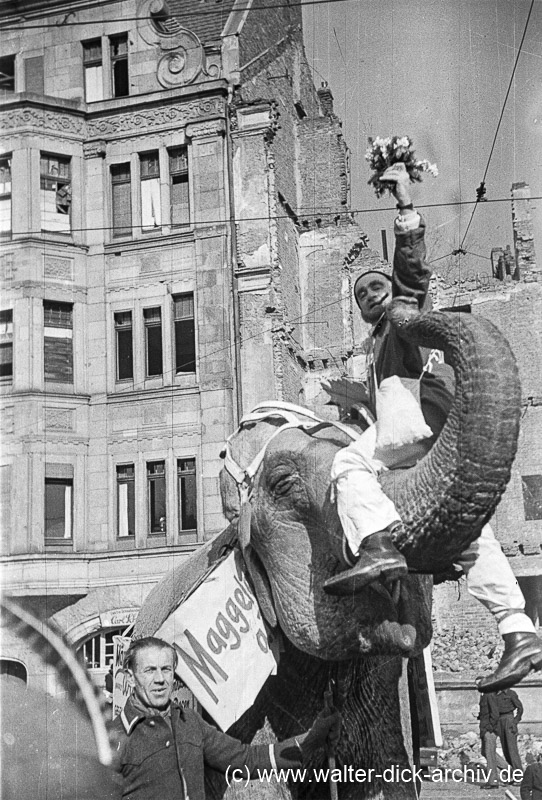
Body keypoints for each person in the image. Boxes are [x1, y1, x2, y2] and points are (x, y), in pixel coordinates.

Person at [322, 162, 542, 693]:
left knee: (345, 463)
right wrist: (352, 397)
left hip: (412, 430)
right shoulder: (375, 344)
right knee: (470, 539)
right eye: (362, 294)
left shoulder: (401, 319)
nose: (371, 296)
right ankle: (519, 631)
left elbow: (412, 277)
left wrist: (404, 209)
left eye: (375, 286)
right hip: (417, 449)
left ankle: (376, 545)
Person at [109, 636, 341, 800]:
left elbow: (246, 759)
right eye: (150, 670)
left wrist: (311, 740)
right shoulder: (110, 740)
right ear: (130, 678)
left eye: (166, 669)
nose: (160, 679)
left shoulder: (189, 721)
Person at [479, 689, 523, 789]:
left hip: (508, 720)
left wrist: (515, 722)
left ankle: (519, 777)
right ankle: (511, 773)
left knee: (511, 750)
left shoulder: (511, 693)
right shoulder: (494, 695)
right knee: (505, 750)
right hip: (498, 721)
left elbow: (520, 709)